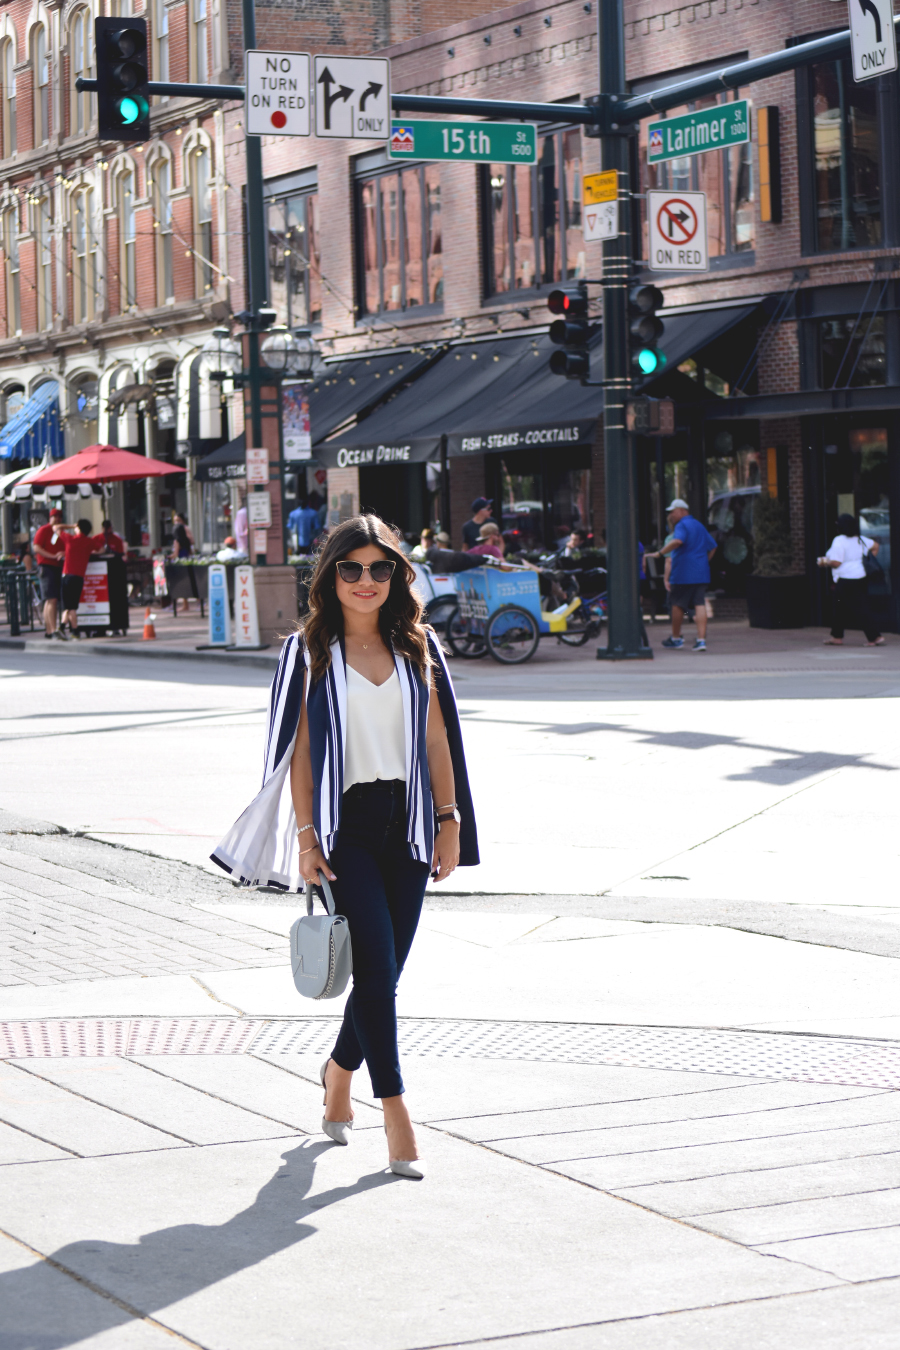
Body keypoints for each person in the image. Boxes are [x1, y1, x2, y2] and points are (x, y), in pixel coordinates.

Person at [212, 514, 478, 1179]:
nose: (366, 581)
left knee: (385, 974)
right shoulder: (308, 652)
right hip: (346, 829)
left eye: (380, 568)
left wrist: (450, 823)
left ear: (397, 575)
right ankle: (395, 1111)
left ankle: (337, 1072)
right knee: (378, 973)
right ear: (330, 576)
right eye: (351, 568)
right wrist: (305, 839)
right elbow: (297, 756)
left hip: (411, 826)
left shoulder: (419, 645)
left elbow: (439, 741)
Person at [643, 498, 717, 651]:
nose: (671, 515)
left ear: (683, 511)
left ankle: (676, 638)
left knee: (677, 604)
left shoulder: (682, 525)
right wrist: (704, 561)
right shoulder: (699, 525)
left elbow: (677, 541)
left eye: (673, 512)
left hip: (683, 572)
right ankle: (701, 640)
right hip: (701, 573)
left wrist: (660, 552)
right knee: (699, 603)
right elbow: (713, 546)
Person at [818, 513, 884, 646]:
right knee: (840, 606)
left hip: (846, 579)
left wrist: (823, 563)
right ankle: (837, 636)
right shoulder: (860, 539)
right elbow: (876, 546)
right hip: (860, 577)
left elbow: (836, 562)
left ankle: (875, 637)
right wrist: (866, 559)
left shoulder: (839, 540)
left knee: (857, 608)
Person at [57, 518, 104, 637]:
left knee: (69, 606)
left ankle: (74, 630)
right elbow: (102, 549)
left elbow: (56, 527)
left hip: (67, 575)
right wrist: (91, 553)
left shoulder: (70, 539)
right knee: (71, 606)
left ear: (78, 528)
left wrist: (72, 526)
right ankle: (64, 628)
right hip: (79, 577)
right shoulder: (89, 542)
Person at [32, 508, 66, 639]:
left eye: (59, 517)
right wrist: (52, 556)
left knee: (51, 599)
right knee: (51, 599)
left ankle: (49, 630)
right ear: (50, 518)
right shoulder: (44, 530)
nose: (57, 519)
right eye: (55, 516)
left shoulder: (60, 532)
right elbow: (36, 547)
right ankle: (52, 630)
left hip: (57, 566)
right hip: (46, 566)